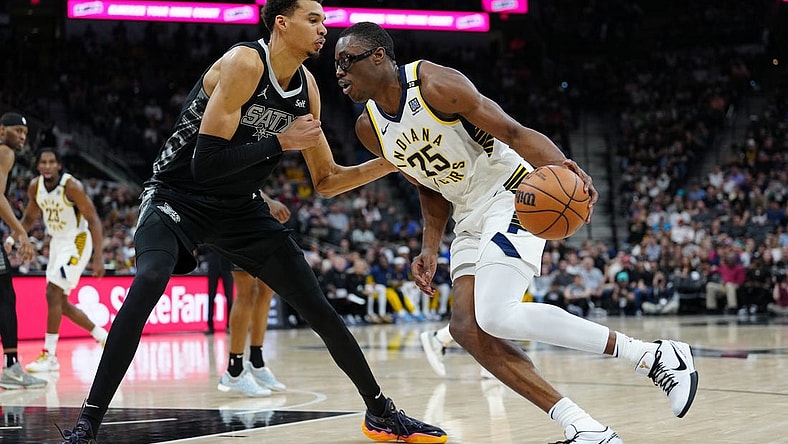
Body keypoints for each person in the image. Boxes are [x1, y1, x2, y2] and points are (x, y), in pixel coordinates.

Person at [57, 3, 446, 443]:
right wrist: (280, 140)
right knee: (148, 280)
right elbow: (205, 165)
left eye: (323, 20)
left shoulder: (309, 90)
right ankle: (88, 423)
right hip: (177, 196)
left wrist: (392, 161)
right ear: (282, 22)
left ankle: (381, 412)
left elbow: (327, 180)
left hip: (239, 208)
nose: (324, 29)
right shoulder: (244, 62)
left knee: (317, 305)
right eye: (313, 20)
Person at [335, 22, 698, 443]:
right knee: (467, 329)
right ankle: (584, 427)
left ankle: (654, 356)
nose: (340, 72)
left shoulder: (435, 84)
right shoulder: (369, 129)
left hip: (511, 193)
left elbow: (511, 131)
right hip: (468, 215)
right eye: (336, 66)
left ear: (379, 56)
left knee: (497, 314)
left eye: (347, 61)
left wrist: (563, 167)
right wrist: (429, 248)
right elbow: (426, 188)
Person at [21, 148, 108, 373]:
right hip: (58, 243)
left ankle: (49, 356)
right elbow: (30, 217)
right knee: (60, 303)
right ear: (38, 165)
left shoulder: (71, 186)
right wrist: (16, 236)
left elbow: (93, 219)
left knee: (52, 293)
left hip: (77, 240)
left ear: (59, 165)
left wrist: (99, 257)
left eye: (52, 162)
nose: (47, 166)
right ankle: (102, 335)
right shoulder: (35, 186)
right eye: (43, 162)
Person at [218, 192, 289, 397]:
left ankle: (256, 361)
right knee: (246, 292)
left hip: (256, 219)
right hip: (233, 221)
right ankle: (234, 370)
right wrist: (270, 201)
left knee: (267, 289)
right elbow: (239, 178)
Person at [0, 112, 48, 390]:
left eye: (24, 134)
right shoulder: (5, 152)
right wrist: (20, 233)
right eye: (16, 130)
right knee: (5, 295)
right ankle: (11, 367)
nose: (21, 137)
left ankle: (11, 366)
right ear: (2, 129)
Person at [203, 246, 233, 335]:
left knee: (229, 296)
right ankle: (210, 326)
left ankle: (230, 325)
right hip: (213, 260)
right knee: (211, 296)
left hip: (226, 261)